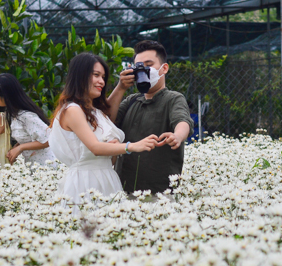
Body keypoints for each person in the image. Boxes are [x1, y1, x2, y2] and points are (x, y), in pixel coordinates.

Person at [49, 53, 158, 205]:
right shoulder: (72, 109)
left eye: (103, 77)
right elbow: (95, 148)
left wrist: (121, 87)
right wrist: (132, 146)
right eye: (96, 75)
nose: (101, 81)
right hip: (85, 182)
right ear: (80, 76)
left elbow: (107, 121)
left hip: (107, 178)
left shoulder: (94, 111)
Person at [108, 40, 194, 194]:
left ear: (164, 68)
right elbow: (105, 120)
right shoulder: (131, 100)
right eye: (139, 66)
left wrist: (177, 136)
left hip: (160, 193)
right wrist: (120, 87)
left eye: (149, 65)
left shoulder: (173, 98)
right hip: (123, 189)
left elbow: (182, 120)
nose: (144, 70)